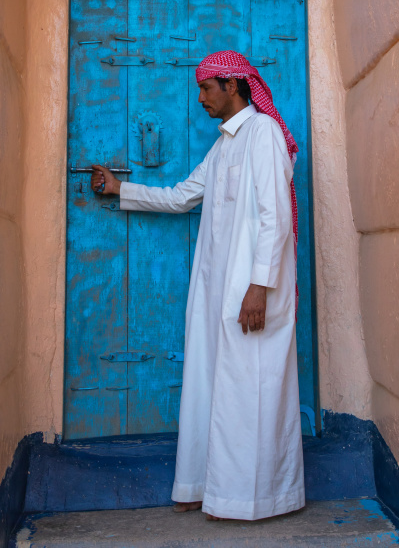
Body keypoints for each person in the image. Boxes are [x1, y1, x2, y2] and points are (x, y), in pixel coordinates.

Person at [91, 50, 305, 521]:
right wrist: (120, 190)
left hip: (253, 291)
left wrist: (258, 287)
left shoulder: (264, 134)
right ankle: (204, 486)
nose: (202, 99)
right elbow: (183, 196)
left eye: (207, 89)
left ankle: (258, 498)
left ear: (233, 86)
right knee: (215, 387)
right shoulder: (225, 144)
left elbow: (276, 218)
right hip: (220, 289)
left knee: (252, 390)